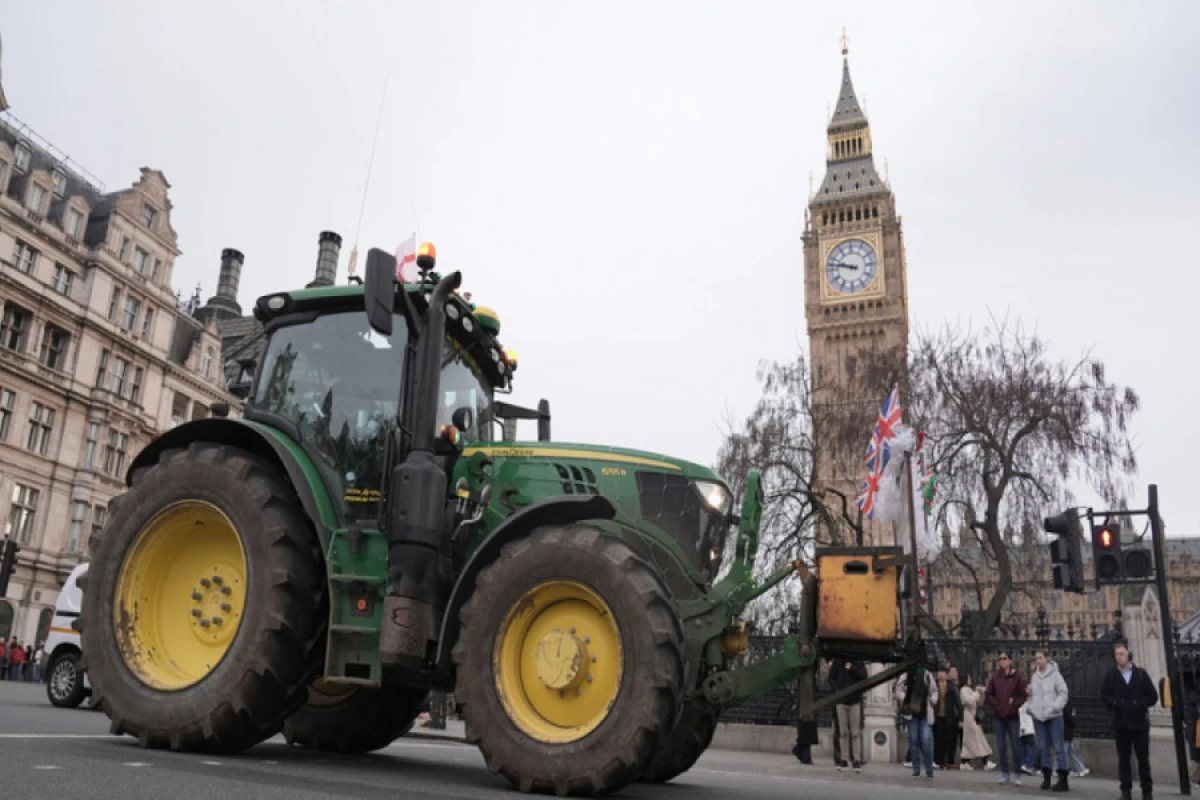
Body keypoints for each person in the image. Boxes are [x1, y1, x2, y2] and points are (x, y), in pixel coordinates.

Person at [1100, 641, 1158, 800]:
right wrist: (1115, 704)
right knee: (1124, 760)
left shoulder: (1140, 674)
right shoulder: (1111, 675)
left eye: (1121, 654)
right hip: (1121, 723)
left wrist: (1140, 703)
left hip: (1139, 723)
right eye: (1116, 654)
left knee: (1143, 759)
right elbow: (1104, 695)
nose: (1119, 657)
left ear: (1128, 654)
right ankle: (1125, 791)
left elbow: (1153, 696)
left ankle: (1147, 791)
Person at [1029, 647, 1070, 792]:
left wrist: (1056, 706)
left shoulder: (1055, 675)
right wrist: (1032, 709)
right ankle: (1046, 778)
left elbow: (1063, 693)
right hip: (1040, 717)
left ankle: (1063, 779)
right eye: (1036, 659)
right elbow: (1032, 696)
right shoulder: (1034, 677)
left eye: (1040, 658)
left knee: (1059, 747)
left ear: (1047, 659)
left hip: (1054, 716)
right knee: (1044, 747)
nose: (1038, 661)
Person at [985, 650, 1028, 786]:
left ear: (1010, 661)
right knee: (1001, 746)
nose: (1002, 661)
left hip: (1012, 717)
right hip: (999, 716)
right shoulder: (996, 677)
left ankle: (1017, 774)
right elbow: (989, 694)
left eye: (1004, 658)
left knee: (1015, 745)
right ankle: (1004, 773)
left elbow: (1023, 694)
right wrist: (996, 704)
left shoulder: (1017, 677)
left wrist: (1014, 704)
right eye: (1000, 659)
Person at [895, 656, 939, 779]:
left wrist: (933, 699)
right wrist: (905, 698)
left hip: (925, 714)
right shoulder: (907, 675)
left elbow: (935, 691)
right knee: (914, 741)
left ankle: (929, 770)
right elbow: (897, 689)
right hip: (912, 714)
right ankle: (916, 769)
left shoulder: (927, 675)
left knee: (926, 741)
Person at [829, 659, 868, 772]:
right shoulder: (837, 662)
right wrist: (837, 690)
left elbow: (864, 677)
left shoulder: (858, 662)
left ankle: (856, 760)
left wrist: (852, 669)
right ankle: (844, 760)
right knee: (843, 732)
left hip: (855, 701)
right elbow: (831, 678)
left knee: (855, 732)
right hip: (841, 702)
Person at [959, 673, 994, 770]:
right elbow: (968, 701)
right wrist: (977, 692)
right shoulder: (963, 690)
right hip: (968, 717)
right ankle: (985, 761)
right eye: (969, 678)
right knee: (976, 739)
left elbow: (979, 703)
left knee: (971, 741)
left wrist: (981, 693)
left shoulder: (970, 690)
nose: (970, 679)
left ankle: (965, 762)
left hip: (973, 716)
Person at [933, 666, 963, 770]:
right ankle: (937, 761)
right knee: (938, 740)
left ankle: (947, 762)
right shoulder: (934, 685)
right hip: (937, 717)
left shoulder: (951, 687)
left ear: (946, 675)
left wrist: (960, 718)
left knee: (948, 741)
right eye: (939, 672)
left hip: (949, 718)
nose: (940, 674)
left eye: (942, 672)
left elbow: (958, 703)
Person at [1063, 698, 1089, 778]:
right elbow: (1070, 717)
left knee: (1067, 752)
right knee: (1068, 752)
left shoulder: (1063, 704)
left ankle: (1078, 769)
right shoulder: (1068, 704)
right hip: (1067, 731)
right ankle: (1080, 769)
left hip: (1064, 731)